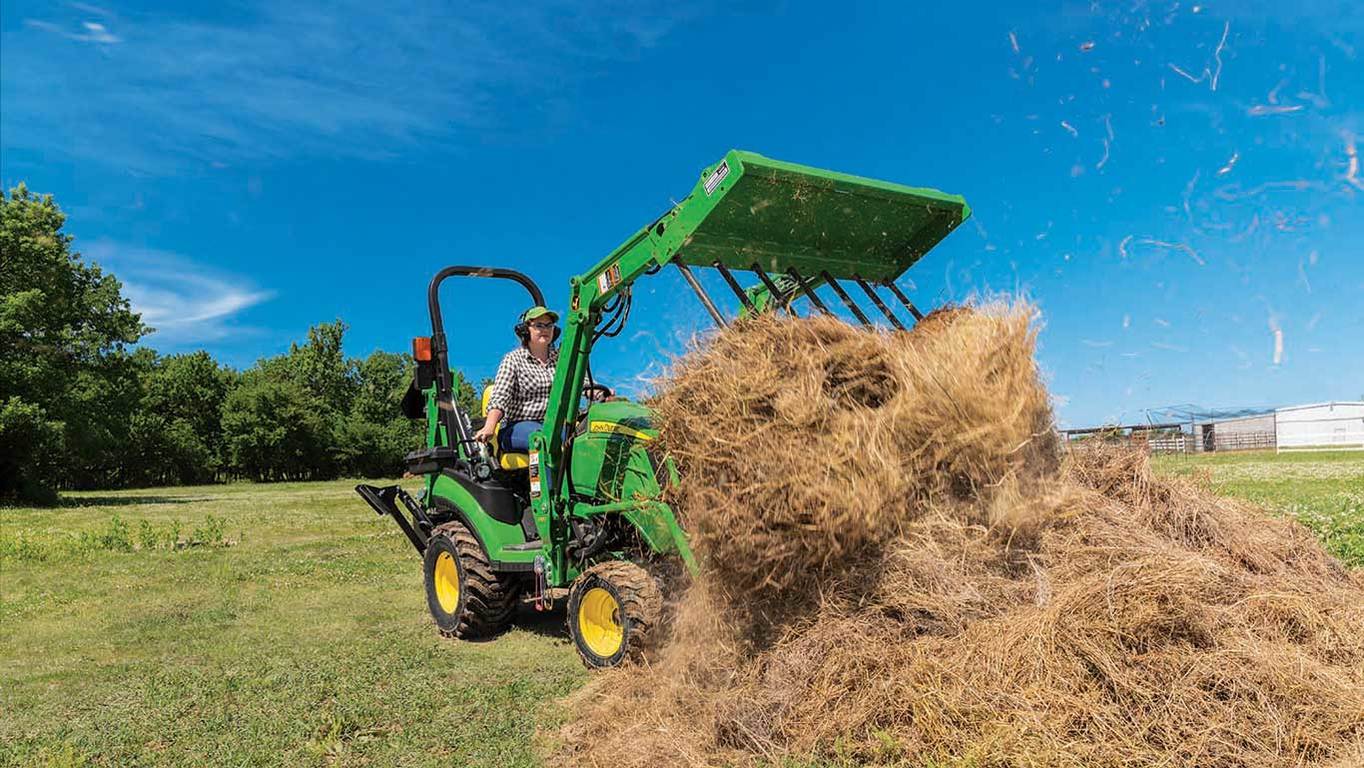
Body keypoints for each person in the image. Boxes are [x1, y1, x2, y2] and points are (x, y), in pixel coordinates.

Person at [473, 306, 562, 454]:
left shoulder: (561, 361)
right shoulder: (513, 360)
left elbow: (583, 384)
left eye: (549, 325)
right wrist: (489, 426)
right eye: (539, 325)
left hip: (554, 425)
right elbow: (500, 397)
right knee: (544, 439)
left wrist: (601, 394)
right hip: (518, 427)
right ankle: (550, 478)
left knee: (581, 437)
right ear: (526, 331)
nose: (545, 329)